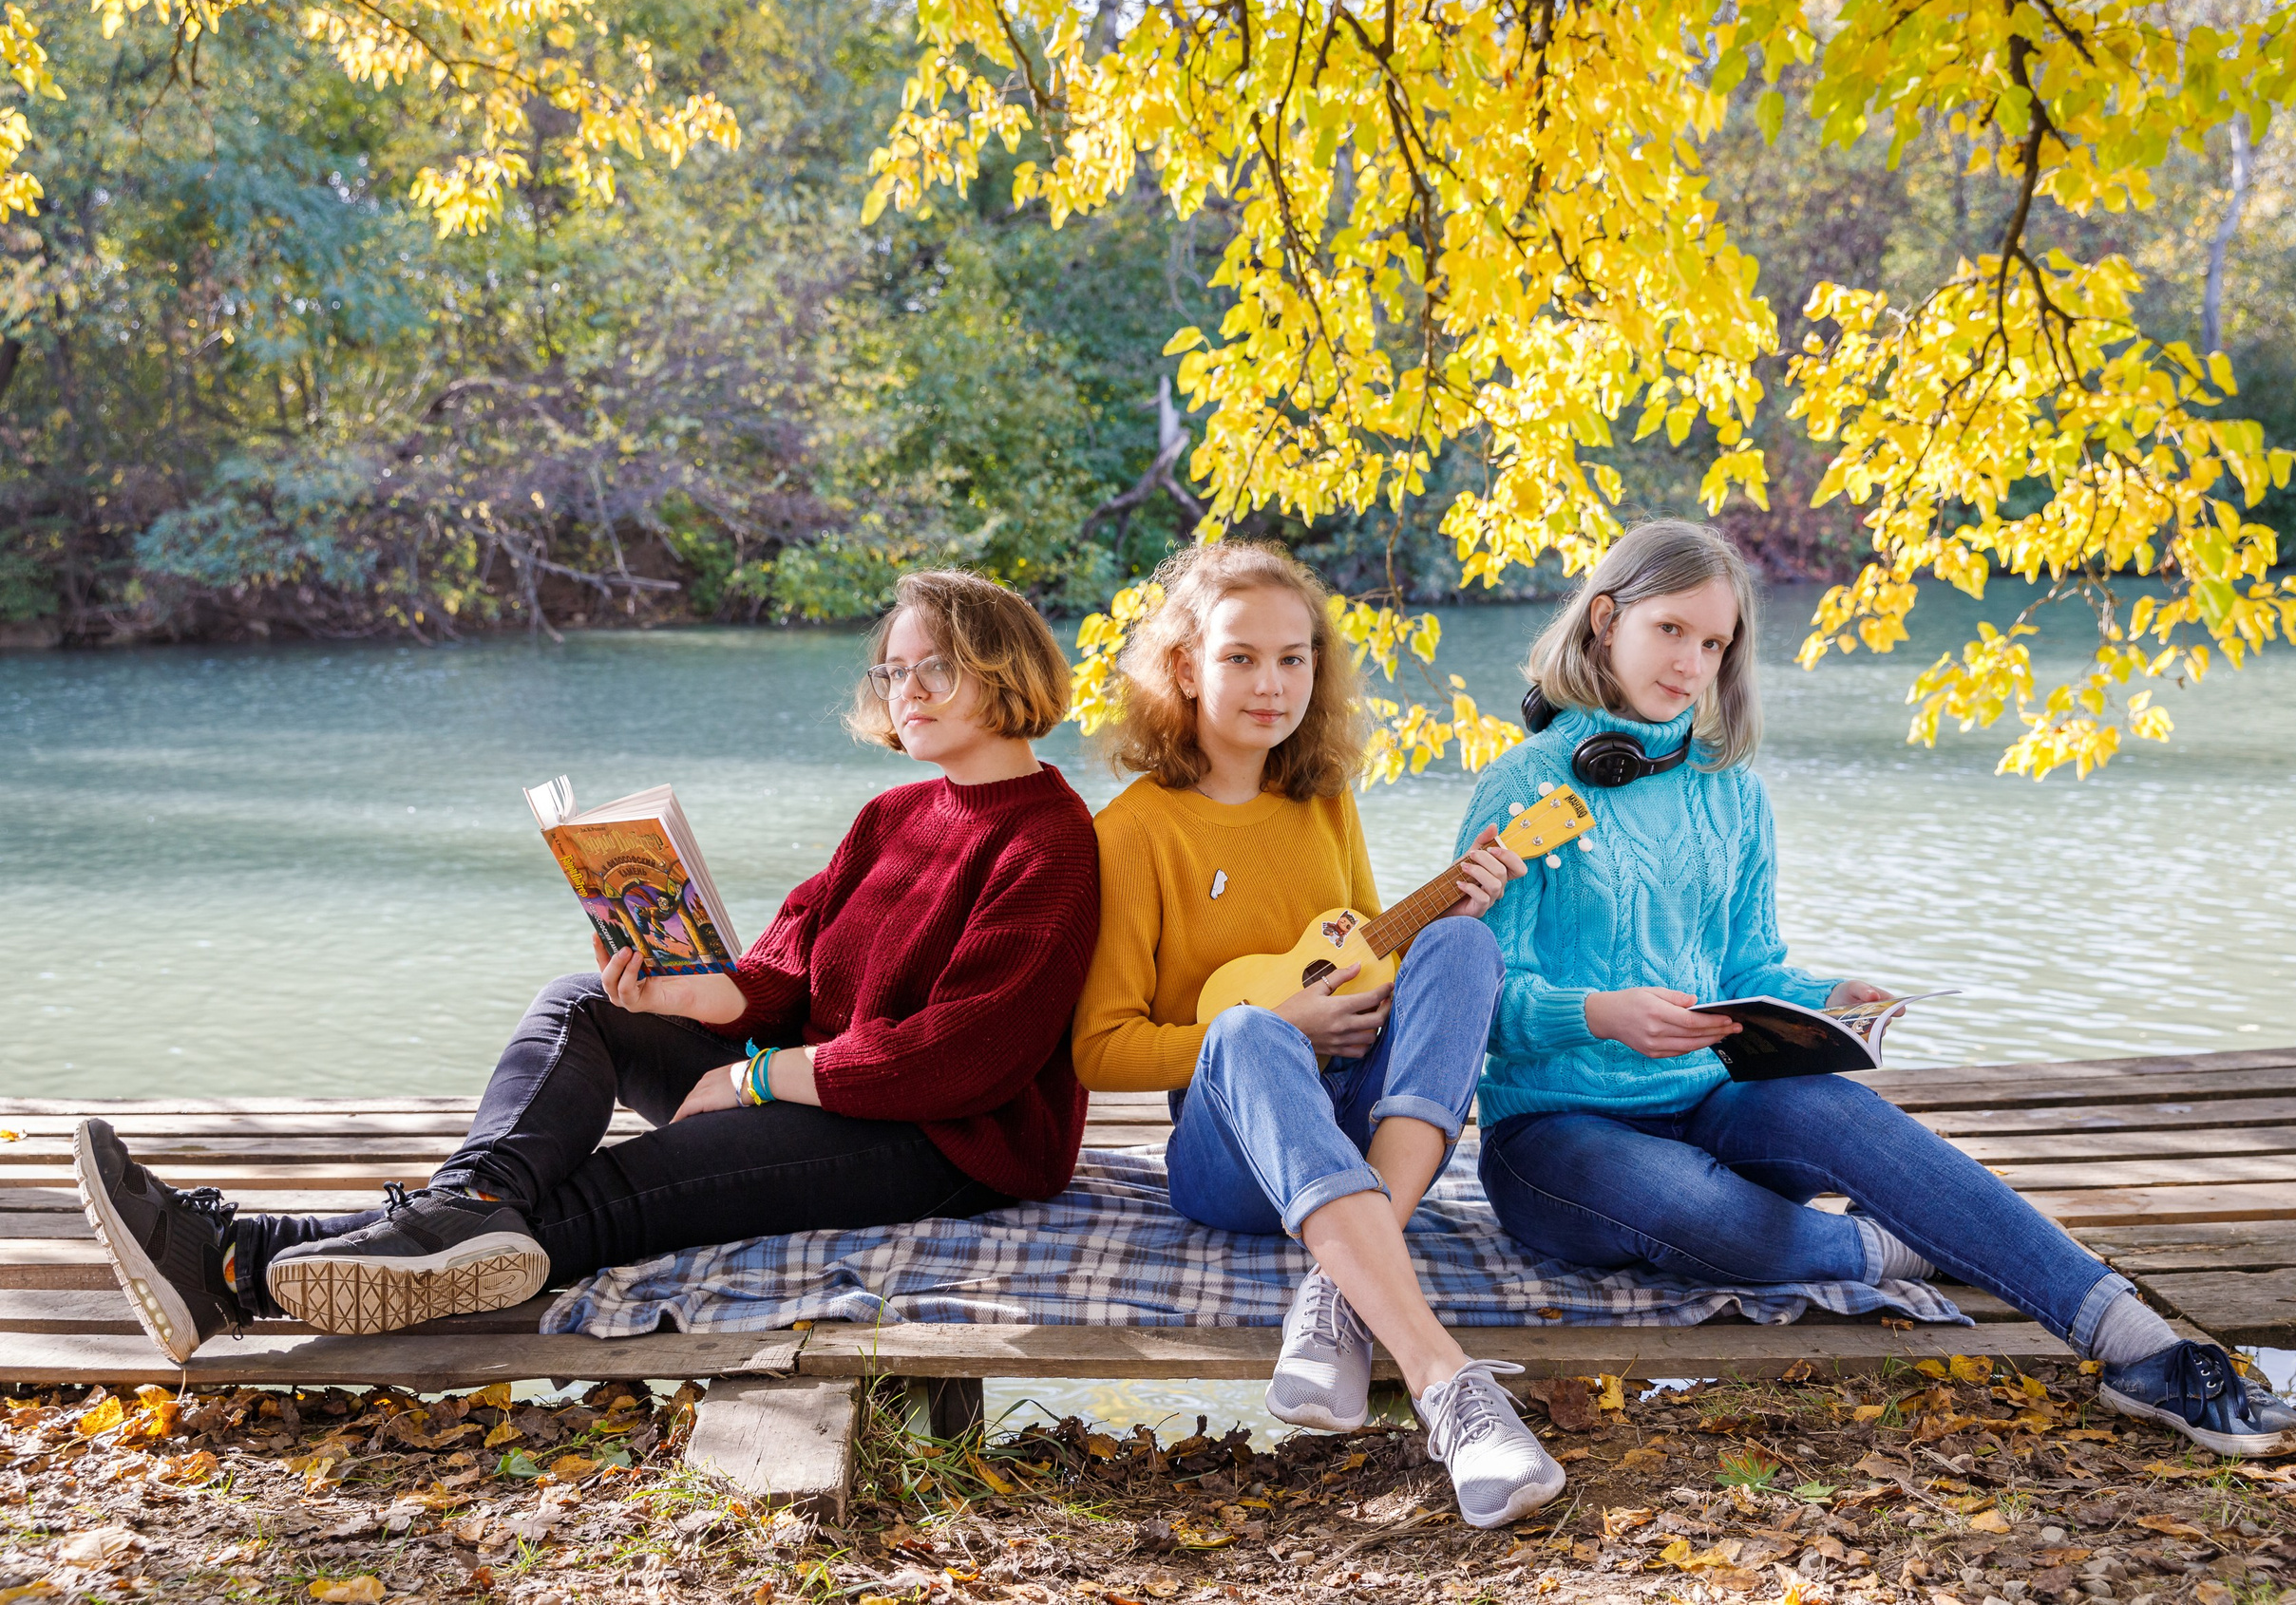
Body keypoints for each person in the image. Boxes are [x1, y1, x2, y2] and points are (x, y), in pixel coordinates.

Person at [77, 570, 1101, 1364]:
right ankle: (456, 1208)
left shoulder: (1049, 841)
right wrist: (680, 990)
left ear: (1003, 673)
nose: (906, 690)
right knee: (580, 1004)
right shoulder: (893, 813)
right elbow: (787, 968)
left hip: (940, 1145)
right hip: (823, 1088)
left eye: (936, 668)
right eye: (892, 669)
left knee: (617, 1190)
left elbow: (964, 1054)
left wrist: (753, 1074)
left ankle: (235, 1264)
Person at [1458, 520, 2296, 1458]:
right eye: (1670, 631)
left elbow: (1747, 968)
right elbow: (1473, 1005)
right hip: (1553, 1139)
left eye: (1713, 643)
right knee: (1699, 1208)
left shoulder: (1729, 790)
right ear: (1604, 618)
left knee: (1855, 1121)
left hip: (1707, 1096)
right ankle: (1901, 1245)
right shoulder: (1522, 787)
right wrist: (1597, 1014)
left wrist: (1829, 996)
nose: (1691, 663)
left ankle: (2144, 1352)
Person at [1071, 540, 1565, 1529]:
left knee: (1463, 947)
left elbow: (1364, 954)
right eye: (1241, 657)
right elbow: (1100, 1048)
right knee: (1250, 1031)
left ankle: (1338, 1286)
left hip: (1349, 1124)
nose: (1272, 683)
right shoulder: (1131, 832)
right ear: (1182, 668)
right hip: (1228, 1156)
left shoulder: (1324, 800)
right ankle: (1446, 1385)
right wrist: (1278, 1025)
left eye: (1294, 658)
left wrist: (1446, 909)